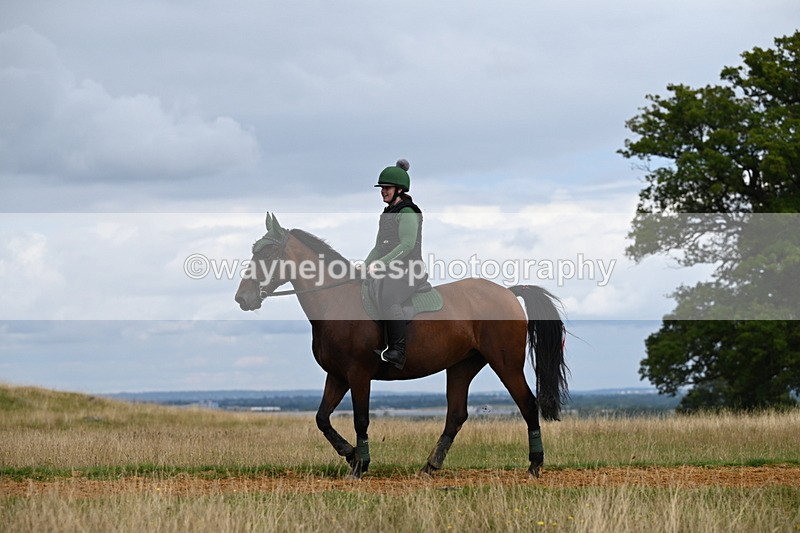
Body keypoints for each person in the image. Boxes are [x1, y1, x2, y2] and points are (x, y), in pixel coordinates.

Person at [364, 159, 428, 370]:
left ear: (399, 189)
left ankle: (398, 351)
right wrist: (365, 266)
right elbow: (378, 247)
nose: (383, 191)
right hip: (391, 270)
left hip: (409, 271)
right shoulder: (387, 214)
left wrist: (380, 265)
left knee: (388, 296)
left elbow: (407, 245)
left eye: (387, 188)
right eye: (381, 188)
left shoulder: (408, 212)